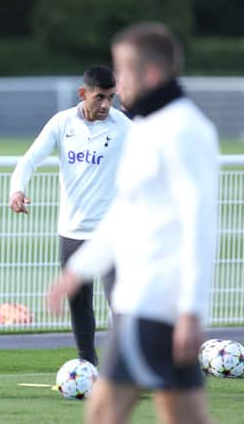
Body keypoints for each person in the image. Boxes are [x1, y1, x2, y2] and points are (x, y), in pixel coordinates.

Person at [48, 22, 218, 424]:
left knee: (105, 413)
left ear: (152, 73)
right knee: (184, 416)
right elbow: (125, 214)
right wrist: (78, 271)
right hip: (142, 303)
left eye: (123, 71)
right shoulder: (146, 128)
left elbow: (201, 223)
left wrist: (192, 310)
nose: (117, 82)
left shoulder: (183, 131)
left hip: (153, 304)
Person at [9, 66, 132, 366]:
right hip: (71, 231)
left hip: (111, 233)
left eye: (111, 98)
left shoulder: (124, 126)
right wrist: (17, 190)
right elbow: (29, 160)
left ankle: (125, 369)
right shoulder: (61, 122)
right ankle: (87, 365)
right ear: (83, 94)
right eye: (100, 97)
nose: (106, 105)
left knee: (122, 304)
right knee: (79, 304)